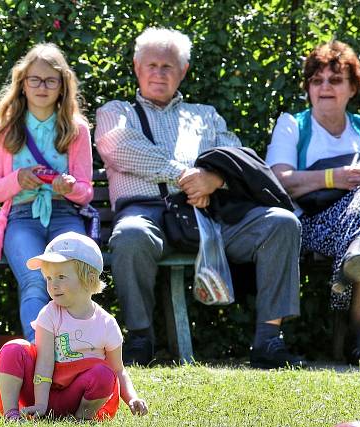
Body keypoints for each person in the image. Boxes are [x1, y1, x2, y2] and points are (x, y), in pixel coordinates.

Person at [95, 27, 304, 369]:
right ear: (136, 67)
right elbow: (122, 149)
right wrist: (188, 177)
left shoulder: (205, 115)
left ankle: (269, 340)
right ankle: (139, 340)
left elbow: (237, 156)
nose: (159, 73)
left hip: (210, 215)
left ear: (183, 71)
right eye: (152, 65)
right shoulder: (116, 112)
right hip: (147, 216)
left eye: (168, 66)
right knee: (129, 236)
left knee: (282, 223)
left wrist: (215, 178)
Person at [265, 41, 360, 364]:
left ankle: (356, 246)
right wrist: (337, 177)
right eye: (316, 80)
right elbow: (279, 180)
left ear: (352, 88)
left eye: (335, 80)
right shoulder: (293, 125)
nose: (324, 87)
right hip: (310, 225)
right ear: (308, 88)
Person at [0, 43, 94, 342]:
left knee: (71, 281)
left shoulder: (76, 129)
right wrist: (18, 179)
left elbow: (86, 192)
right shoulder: (5, 130)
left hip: (64, 215)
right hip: (21, 218)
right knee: (35, 279)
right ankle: (37, 352)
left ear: (62, 86)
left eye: (50, 80)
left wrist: (67, 187)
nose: (42, 87)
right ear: (22, 84)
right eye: (35, 79)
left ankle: (75, 351)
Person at [0, 232, 148, 421]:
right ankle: (12, 413)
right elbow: (44, 363)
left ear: (89, 279)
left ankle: (82, 417)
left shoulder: (106, 324)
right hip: (42, 394)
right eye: (48, 278)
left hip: (77, 398)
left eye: (61, 277)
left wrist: (132, 398)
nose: (53, 285)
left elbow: (118, 370)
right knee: (13, 348)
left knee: (104, 374)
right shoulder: (49, 314)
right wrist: (41, 404)